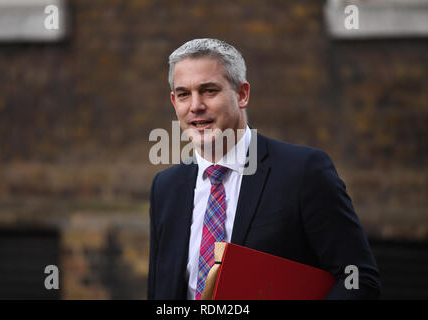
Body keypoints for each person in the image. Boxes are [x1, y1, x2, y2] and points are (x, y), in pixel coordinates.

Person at [148, 38, 380, 300]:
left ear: (242, 94)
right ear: (173, 101)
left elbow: (358, 278)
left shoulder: (303, 172)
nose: (195, 106)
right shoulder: (165, 187)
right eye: (183, 94)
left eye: (209, 90)